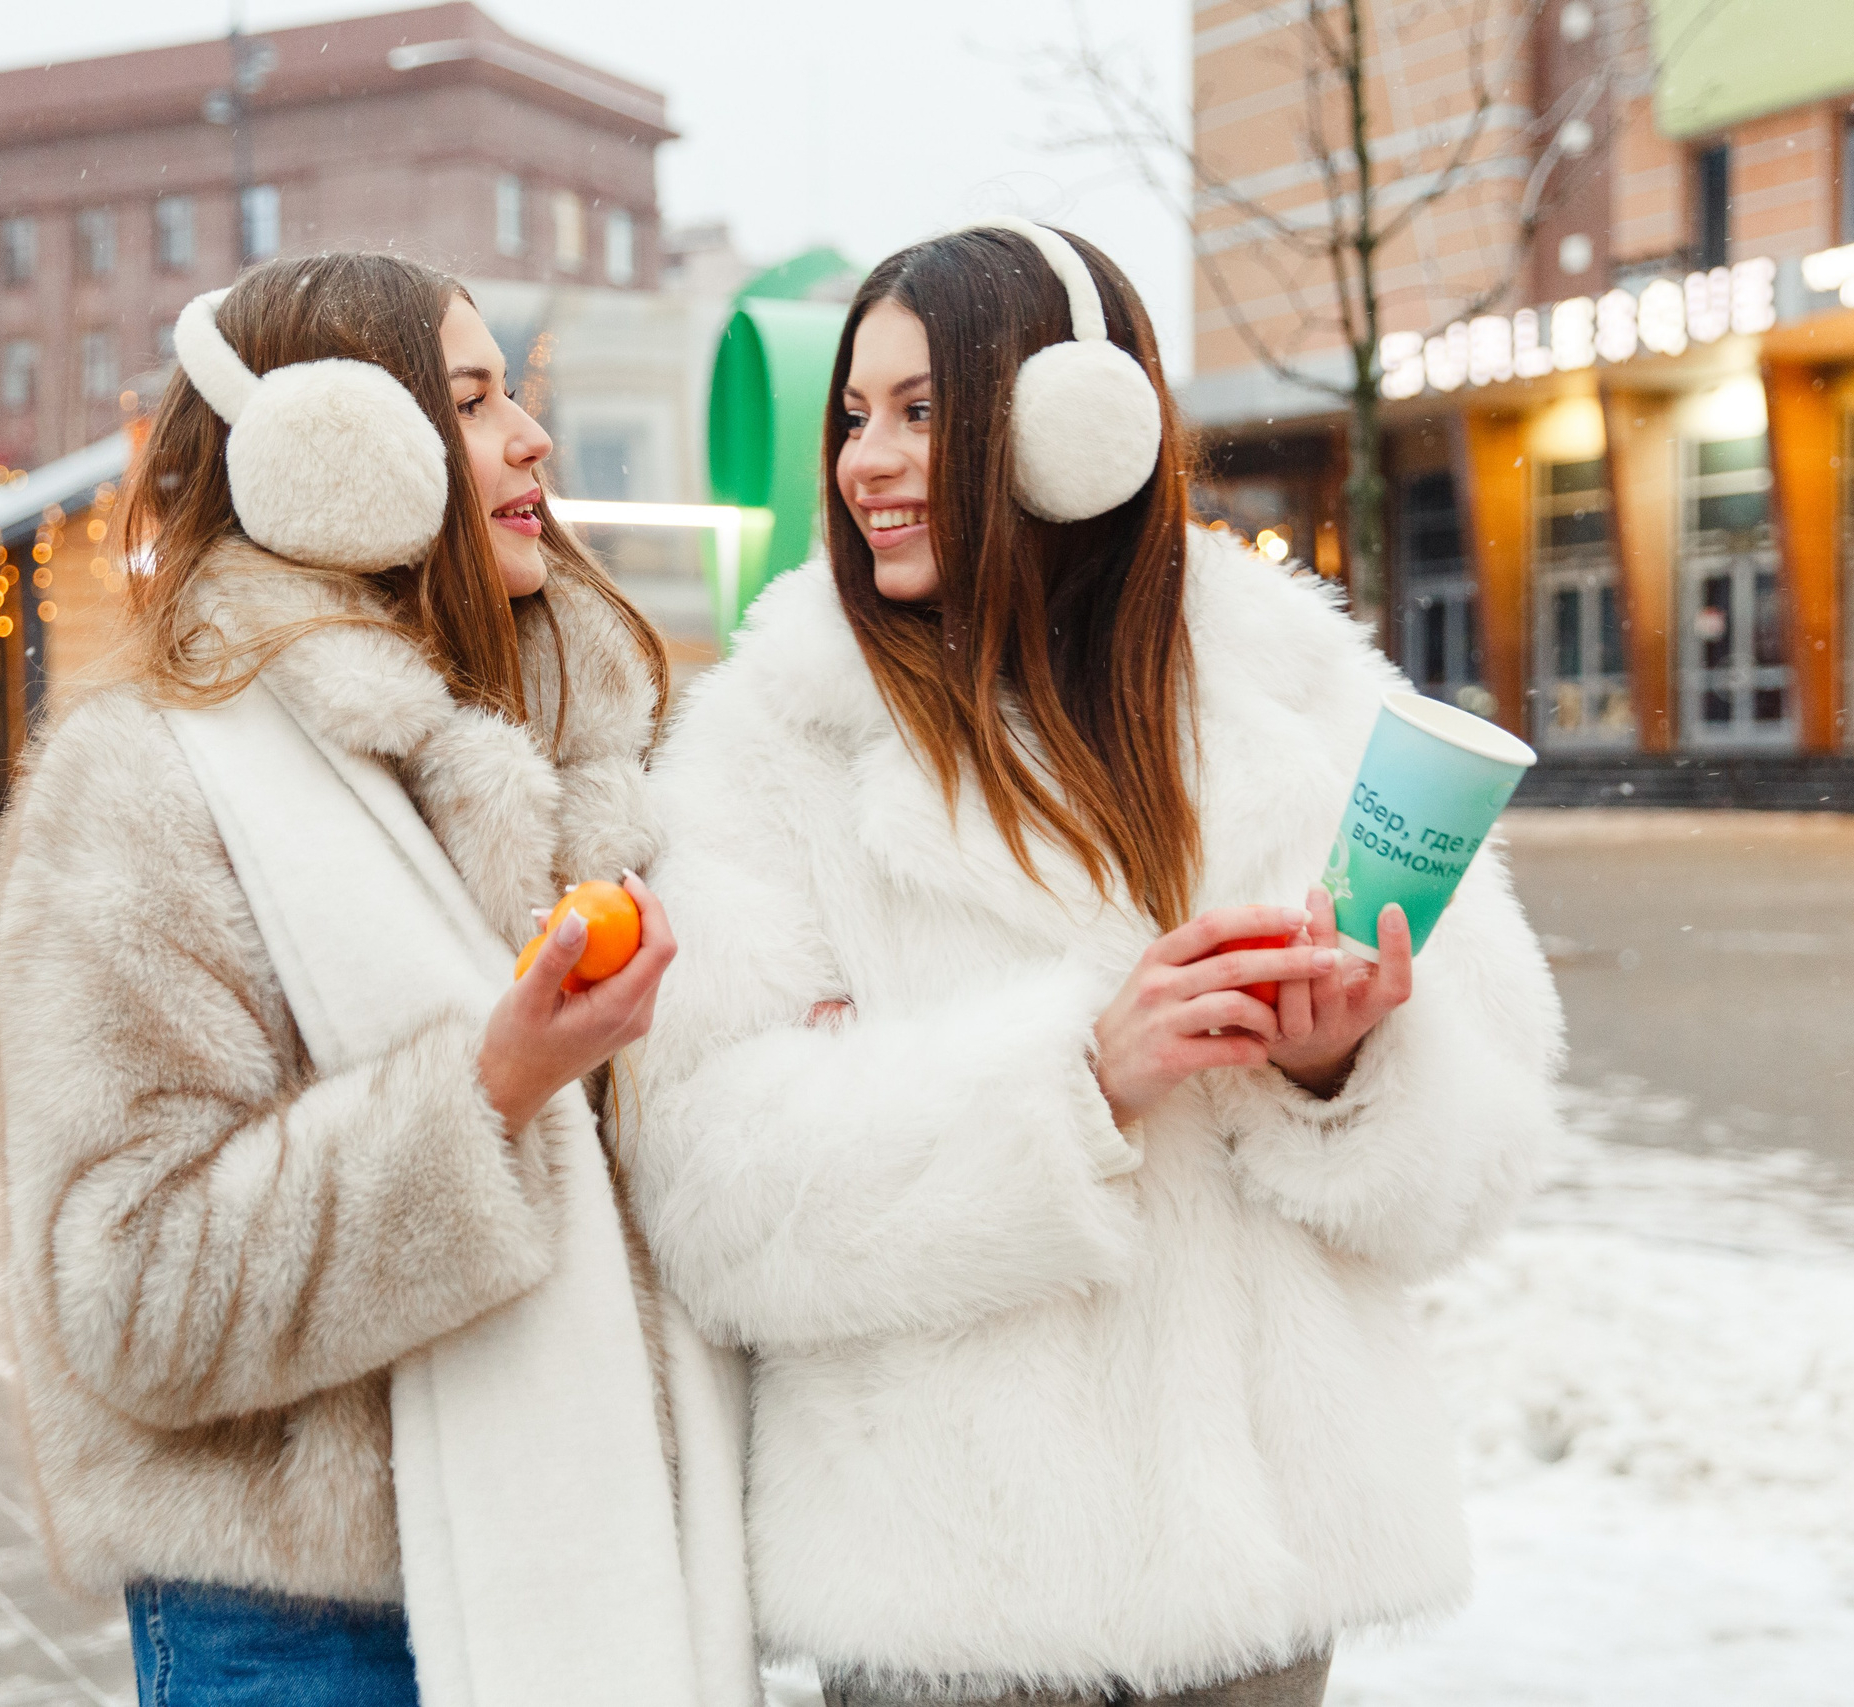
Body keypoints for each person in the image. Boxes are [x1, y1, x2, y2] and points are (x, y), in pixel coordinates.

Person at [628, 221, 1566, 1706]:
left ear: (1079, 427)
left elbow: (1486, 1155)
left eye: (923, 413)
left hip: (1258, 1589)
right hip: (955, 1598)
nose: (867, 460)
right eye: (854, 416)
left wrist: (1340, 1070)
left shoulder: (1293, 695)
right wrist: (1071, 1083)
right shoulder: (772, 744)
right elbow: (705, 1186)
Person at [0, 251, 752, 1707]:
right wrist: (488, 1094)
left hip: (610, 1570)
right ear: (332, 458)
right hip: (311, 1630)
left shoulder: (584, 768)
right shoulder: (147, 778)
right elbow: (130, 1292)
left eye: (513, 394)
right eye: (470, 403)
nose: (531, 437)